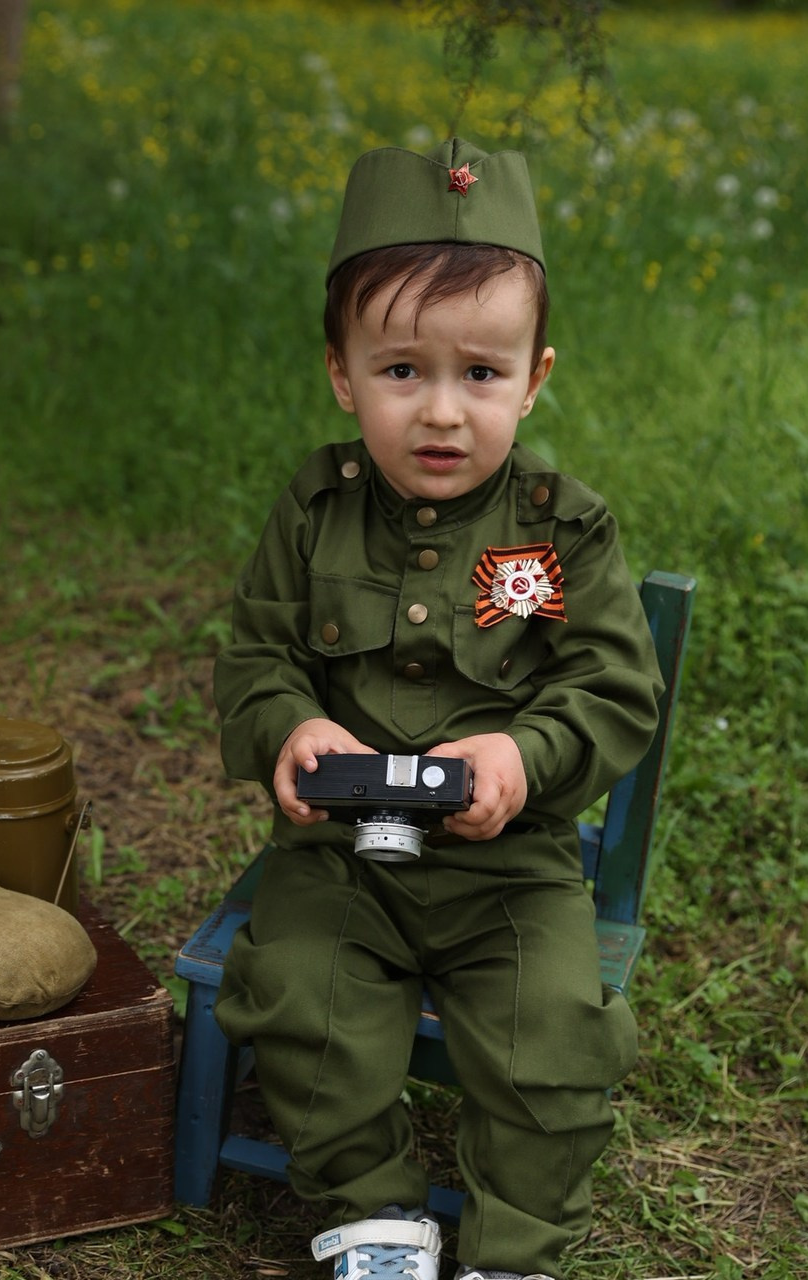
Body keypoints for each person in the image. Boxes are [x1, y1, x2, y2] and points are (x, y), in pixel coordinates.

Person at [212, 137, 663, 1280]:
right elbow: (258, 655)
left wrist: (523, 752)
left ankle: (514, 1250)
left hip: (508, 867)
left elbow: (610, 685)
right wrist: (291, 726)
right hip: (339, 857)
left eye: (482, 374)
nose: (443, 413)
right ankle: (374, 1214)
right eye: (402, 370)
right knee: (300, 1006)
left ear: (534, 376)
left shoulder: (554, 532)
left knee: (552, 1035)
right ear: (341, 373)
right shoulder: (315, 511)